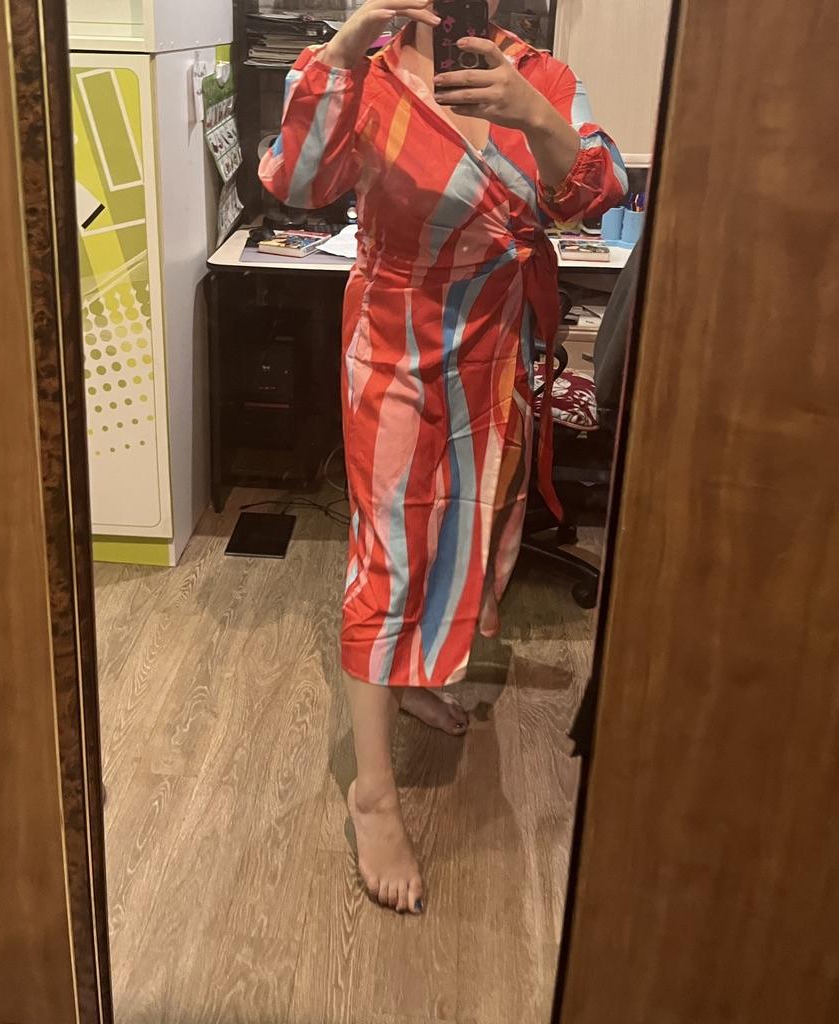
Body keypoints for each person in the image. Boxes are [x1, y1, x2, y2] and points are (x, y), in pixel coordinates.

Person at [260, 0, 625, 915]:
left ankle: (417, 676)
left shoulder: (535, 75)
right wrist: (345, 47)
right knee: (388, 554)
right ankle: (373, 794)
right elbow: (293, 180)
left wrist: (533, 116)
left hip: (492, 350)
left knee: (468, 537)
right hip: (392, 347)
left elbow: (593, 192)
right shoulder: (369, 75)